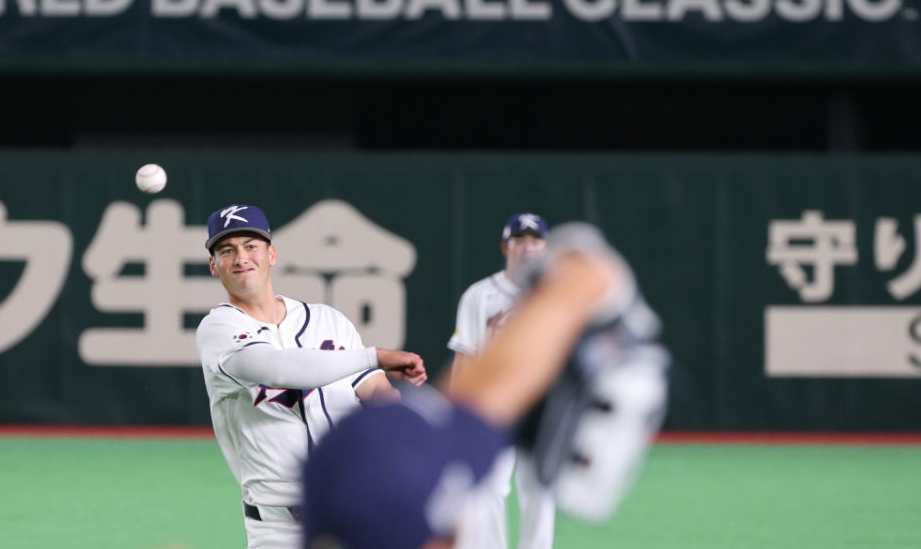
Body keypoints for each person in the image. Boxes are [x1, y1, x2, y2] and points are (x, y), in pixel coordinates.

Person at [303, 223, 668, 549]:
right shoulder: (480, 295)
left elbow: (459, 416)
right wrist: (577, 283)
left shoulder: (355, 481)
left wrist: (572, 286)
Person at [195, 204, 429, 549]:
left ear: (271, 254)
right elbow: (275, 367)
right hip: (278, 528)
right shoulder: (219, 328)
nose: (241, 257)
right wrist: (374, 356)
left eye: (251, 245)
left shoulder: (327, 320)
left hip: (355, 512)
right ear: (214, 265)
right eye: (227, 250)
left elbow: (376, 391)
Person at [448, 213, 554, 549]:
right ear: (505, 247)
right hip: (494, 404)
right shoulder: (480, 295)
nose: (528, 247)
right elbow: (465, 356)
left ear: (546, 248)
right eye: (519, 239)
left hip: (541, 406)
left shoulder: (554, 295)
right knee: (490, 487)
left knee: (540, 490)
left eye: (535, 240)